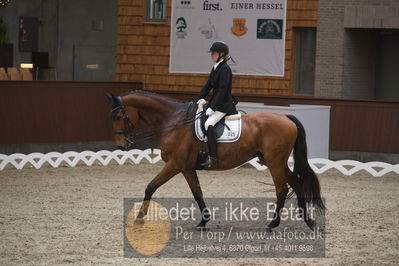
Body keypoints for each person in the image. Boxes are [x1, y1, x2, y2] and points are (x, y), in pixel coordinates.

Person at [194, 41, 238, 168]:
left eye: (213, 53)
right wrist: (196, 100)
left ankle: (213, 157)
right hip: (215, 103)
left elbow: (223, 91)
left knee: (208, 124)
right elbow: (208, 86)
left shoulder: (225, 69)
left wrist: (212, 107)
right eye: (211, 53)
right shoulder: (216, 67)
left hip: (224, 106)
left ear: (221, 54)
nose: (211, 55)